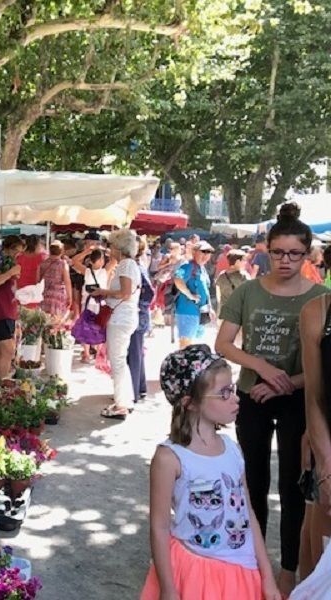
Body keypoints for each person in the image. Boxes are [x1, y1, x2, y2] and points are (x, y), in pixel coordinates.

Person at [215, 202, 327, 597]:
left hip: (299, 398)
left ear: (308, 253)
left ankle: (288, 568)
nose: (286, 260)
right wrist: (263, 368)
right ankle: (254, 561)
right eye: (278, 252)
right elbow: (224, 343)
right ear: (266, 249)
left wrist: (285, 382)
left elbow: (321, 364)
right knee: (255, 480)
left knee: (295, 484)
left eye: (295, 253)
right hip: (253, 396)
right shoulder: (247, 291)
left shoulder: (321, 298)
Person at [141, 345, 279, 600]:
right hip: (195, 573)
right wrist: (169, 589)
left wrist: (267, 575)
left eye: (233, 390)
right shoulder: (170, 457)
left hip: (241, 573)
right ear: (189, 403)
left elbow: (248, 513)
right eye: (224, 393)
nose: (236, 398)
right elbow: (159, 526)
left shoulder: (232, 449)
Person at [89, 228, 141, 419]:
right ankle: (125, 400)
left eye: (111, 246)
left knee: (117, 361)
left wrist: (103, 292)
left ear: (119, 247)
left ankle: (121, 405)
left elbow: (125, 293)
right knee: (120, 360)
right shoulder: (130, 264)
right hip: (125, 317)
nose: (109, 249)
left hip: (120, 318)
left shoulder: (126, 265)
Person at [298, 293, 331, 576]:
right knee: (322, 570)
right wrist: (327, 472)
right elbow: (315, 397)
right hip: (328, 447)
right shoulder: (318, 313)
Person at [0, 235, 24, 379]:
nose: (17, 255)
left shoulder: (9, 264)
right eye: (16, 252)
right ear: (8, 249)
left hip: (7, 311)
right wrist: (10, 273)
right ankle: (1, 385)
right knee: (8, 351)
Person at [173, 240, 215, 347]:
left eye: (208, 252)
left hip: (200, 314)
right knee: (185, 345)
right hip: (187, 311)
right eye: (203, 252)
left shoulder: (202, 269)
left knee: (195, 345)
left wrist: (210, 308)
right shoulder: (187, 266)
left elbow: (206, 289)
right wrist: (190, 295)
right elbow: (178, 279)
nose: (206, 255)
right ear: (194, 252)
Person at [128, 237, 154, 403]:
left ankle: (133, 391)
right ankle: (140, 387)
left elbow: (149, 292)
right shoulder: (139, 266)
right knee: (137, 353)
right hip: (140, 314)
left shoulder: (136, 267)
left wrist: (138, 305)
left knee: (134, 354)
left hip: (137, 315)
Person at [72, 247, 109, 363]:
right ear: (101, 260)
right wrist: (107, 250)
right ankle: (98, 354)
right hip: (100, 304)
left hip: (87, 303)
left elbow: (74, 261)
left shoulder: (87, 271)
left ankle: (87, 354)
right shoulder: (105, 271)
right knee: (100, 328)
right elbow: (115, 260)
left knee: (86, 327)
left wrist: (86, 251)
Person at [38, 240, 72, 322]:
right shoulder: (63, 264)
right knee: (55, 322)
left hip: (45, 295)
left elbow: (38, 280)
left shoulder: (43, 263)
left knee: (44, 321)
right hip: (58, 296)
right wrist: (70, 297)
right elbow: (67, 282)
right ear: (62, 251)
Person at [215, 250, 249, 315]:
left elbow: (218, 297)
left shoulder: (222, 275)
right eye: (244, 260)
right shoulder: (244, 276)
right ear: (238, 261)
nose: (246, 263)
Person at [15, 234, 45, 308]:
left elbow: (16, 273)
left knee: (22, 313)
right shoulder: (42, 256)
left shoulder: (19, 256)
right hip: (35, 289)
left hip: (21, 289)